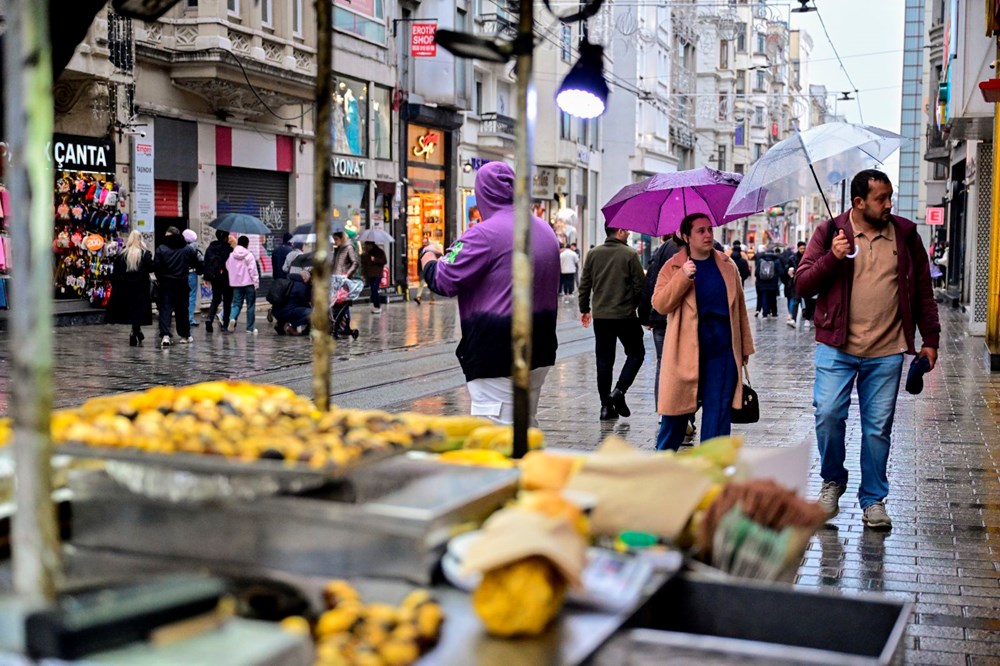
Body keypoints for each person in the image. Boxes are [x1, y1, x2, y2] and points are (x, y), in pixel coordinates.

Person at [795, 169, 940, 530]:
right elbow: (801, 285)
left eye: (889, 196)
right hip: (837, 346)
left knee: (877, 429)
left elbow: (923, 291)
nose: (888, 204)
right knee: (827, 414)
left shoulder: (905, 235)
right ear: (858, 203)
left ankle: (873, 499)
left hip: (887, 350)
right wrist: (832, 257)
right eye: (881, 198)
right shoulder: (830, 232)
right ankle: (833, 480)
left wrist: (931, 340)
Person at [421, 161, 560, 425]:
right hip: (538, 351)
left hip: (499, 355)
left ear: (482, 194)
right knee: (524, 426)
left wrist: (428, 255)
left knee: (499, 437)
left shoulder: (482, 235)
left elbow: (442, 280)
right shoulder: (545, 230)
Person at [652, 213, 755, 451]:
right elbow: (659, 304)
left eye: (710, 229)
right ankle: (660, 469)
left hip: (722, 351)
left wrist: (744, 349)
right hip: (685, 351)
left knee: (718, 418)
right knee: (675, 416)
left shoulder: (727, 265)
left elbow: (739, 310)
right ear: (685, 236)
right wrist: (682, 277)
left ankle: (711, 475)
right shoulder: (674, 266)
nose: (708, 235)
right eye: (701, 231)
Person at [578, 224, 646, 421]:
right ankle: (619, 390)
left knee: (604, 361)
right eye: (627, 230)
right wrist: (635, 308)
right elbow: (640, 287)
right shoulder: (630, 255)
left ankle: (605, 407)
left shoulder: (593, 254)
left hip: (602, 317)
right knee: (636, 353)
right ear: (620, 231)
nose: (630, 232)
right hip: (625, 316)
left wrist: (585, 309)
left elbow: (585, 284)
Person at [638, 234, 680, 407]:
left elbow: (650, 283)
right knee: (684, 364)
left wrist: (645, 315)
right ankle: (685, 414)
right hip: (680, 318)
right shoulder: (698, 248)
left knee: (662, 363)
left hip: (659, 317)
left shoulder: (661, 250)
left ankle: (663, 411)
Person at [153, 226, 203, 348]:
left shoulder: (161, 249)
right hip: (181, 282)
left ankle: (165, 334)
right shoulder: (186, 249)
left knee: (165, 309)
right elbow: (197, 264)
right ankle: (185, 335)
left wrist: (160, 279)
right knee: (182, 310)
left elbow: (156, 267)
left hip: (166, 283)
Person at [105, 230, 153, 346]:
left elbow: (116, 272)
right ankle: (135, 331)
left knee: (131, 311)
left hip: (126, 287)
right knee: (138, 311)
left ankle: (135, 331)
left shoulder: (122, 255)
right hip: (141, 287)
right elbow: (151, 268)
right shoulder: (145, 254)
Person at [226, 235, 260, 334]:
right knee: (250, 305)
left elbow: (228, 266)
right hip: (249, 284)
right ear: (247, 244)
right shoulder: (249, 255)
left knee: (236, 304)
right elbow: (253, 271)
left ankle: (232, 318)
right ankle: (250, 328)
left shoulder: (231, 255)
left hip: (236, 284)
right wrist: (256, 283)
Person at [203, 230, 234, 333]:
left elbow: (206, 263)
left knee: (215, 299)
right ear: (226, 237)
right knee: (227, 301)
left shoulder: (210, 248)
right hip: (226, 278)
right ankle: (225, 325)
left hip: (215, 278)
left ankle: (209, 318)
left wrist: (207, 277)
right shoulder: (229, 249)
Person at [273, 269, 313, 336]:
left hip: (276, 312)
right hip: (287, 312)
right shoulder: (300, 286)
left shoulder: (285, 281)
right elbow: (304, 302)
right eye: (307, 280)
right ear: (304, 278)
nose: (307, 282)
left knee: (288, 307)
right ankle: (291, 326)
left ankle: (279, 325)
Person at [182, 229, 204, 330]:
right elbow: (201, 260)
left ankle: (183, 317)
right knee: (191, 296)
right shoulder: (195, 248)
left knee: (182, 296)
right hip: (192, 273)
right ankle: (190, 318)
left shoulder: (180, 248)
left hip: (181, 274)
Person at [361, 240, 388, 315]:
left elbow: (384, 261)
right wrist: (363, 273)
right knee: (373, 290)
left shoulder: (379, 252)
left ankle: (377, 306)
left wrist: (375, 259)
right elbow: (364, 264)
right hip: (370, 274)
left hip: (377, 274)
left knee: (374, 289)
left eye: (368, 245)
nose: (366, 247)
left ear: (371, 245)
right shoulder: (366, 253)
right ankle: (375, 305)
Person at [754, 244, 781, 318]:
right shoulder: (776, 261)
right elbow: (781, 272)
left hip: (763, 284)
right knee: (773, 298)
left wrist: (759, 280)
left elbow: (756, 273)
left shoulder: (760, 261)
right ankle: (774, 312)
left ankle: (765, 313)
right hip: (773, 284)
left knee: (764, 298)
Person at [784, 241, 806, 327]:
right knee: (796, 301)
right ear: (798, 248)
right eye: (801, 248)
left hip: (805, 282)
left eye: (804, 248)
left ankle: (807, 318)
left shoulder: (807, 257)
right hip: (795, 282)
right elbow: (787, 269)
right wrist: (789, 271)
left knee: (806, 302)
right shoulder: (792, 258)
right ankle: (793, 318)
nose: (803, 250)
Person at [415, 238, 442, 305]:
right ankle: (418, 297)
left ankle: (432, 298)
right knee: (421, 283)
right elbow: (419, 260)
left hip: (430, 269)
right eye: (423, 242)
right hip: (422, 269)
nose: (424, 244)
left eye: (425, 242)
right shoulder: (420, 250)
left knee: (430, 284)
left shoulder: (432, 249)